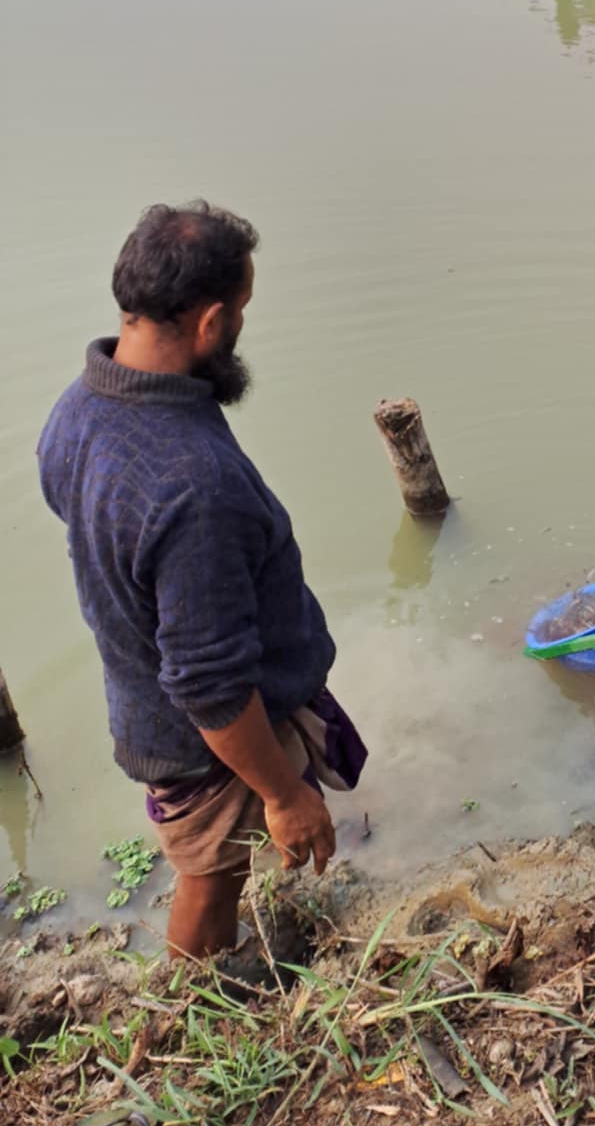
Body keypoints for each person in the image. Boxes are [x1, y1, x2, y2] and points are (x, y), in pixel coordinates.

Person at [37, 202, 364, 959]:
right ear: (211, 323)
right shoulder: (194, 486)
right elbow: (211, 684)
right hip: (201, 736)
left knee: (213, 867)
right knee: (210, 878)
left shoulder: (78, 408)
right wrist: (284, 795)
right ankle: (194, 1002)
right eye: (241, 310)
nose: (242, 328)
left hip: (140, 690)